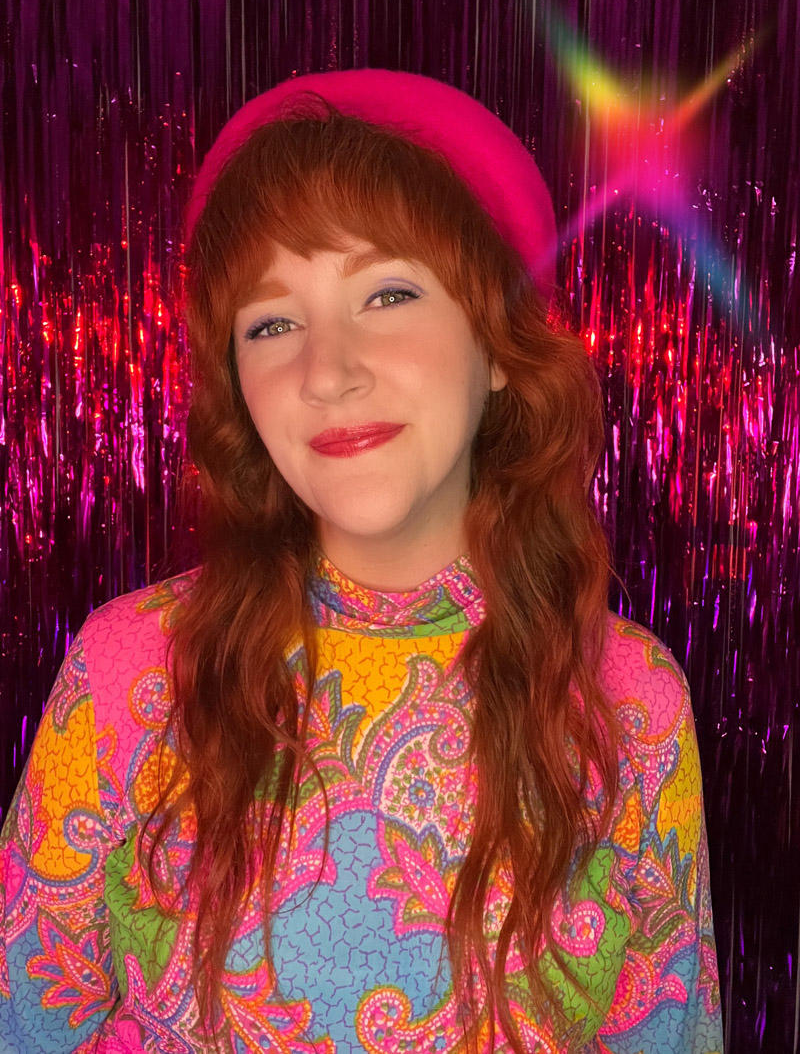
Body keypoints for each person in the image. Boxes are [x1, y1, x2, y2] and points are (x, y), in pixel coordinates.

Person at [0, 69, 723, 1054]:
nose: (325, 370)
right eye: (270, 322)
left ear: (499, 345)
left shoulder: (626, 695)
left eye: (386, 291)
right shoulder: (128, 667)